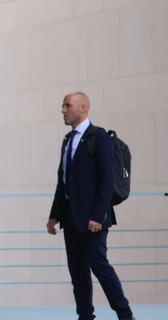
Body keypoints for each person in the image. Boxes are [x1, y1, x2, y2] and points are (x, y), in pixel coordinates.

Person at [47, 92, 134, 320]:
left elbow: (106, 180)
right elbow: (62, 180)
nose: (63, 110)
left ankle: (125, 315)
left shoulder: (100, 137)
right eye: (63, 106)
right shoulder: (68, 139)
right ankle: (85, 316)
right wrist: (54, 215)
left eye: (67, 105)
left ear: (83, 108)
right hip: (70, 217)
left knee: (100, 267)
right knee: (78, 272)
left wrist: (98, 215)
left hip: (93, 218)